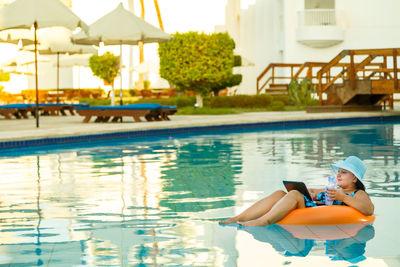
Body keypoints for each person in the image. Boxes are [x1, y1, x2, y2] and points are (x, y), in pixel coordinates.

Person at [219, 156, 374, 227]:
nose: (338, 174)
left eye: (344, 172)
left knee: (293, 195)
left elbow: (369, 209)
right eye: (338, 171)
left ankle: (262, 221)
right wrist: (311, 193)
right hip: (311, 210)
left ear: (355, 179)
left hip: (314, 216)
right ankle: (238, 217)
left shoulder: (358, 193)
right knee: (280, 193)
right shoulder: (334, 188)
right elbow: (313, 190)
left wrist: (343, 197)